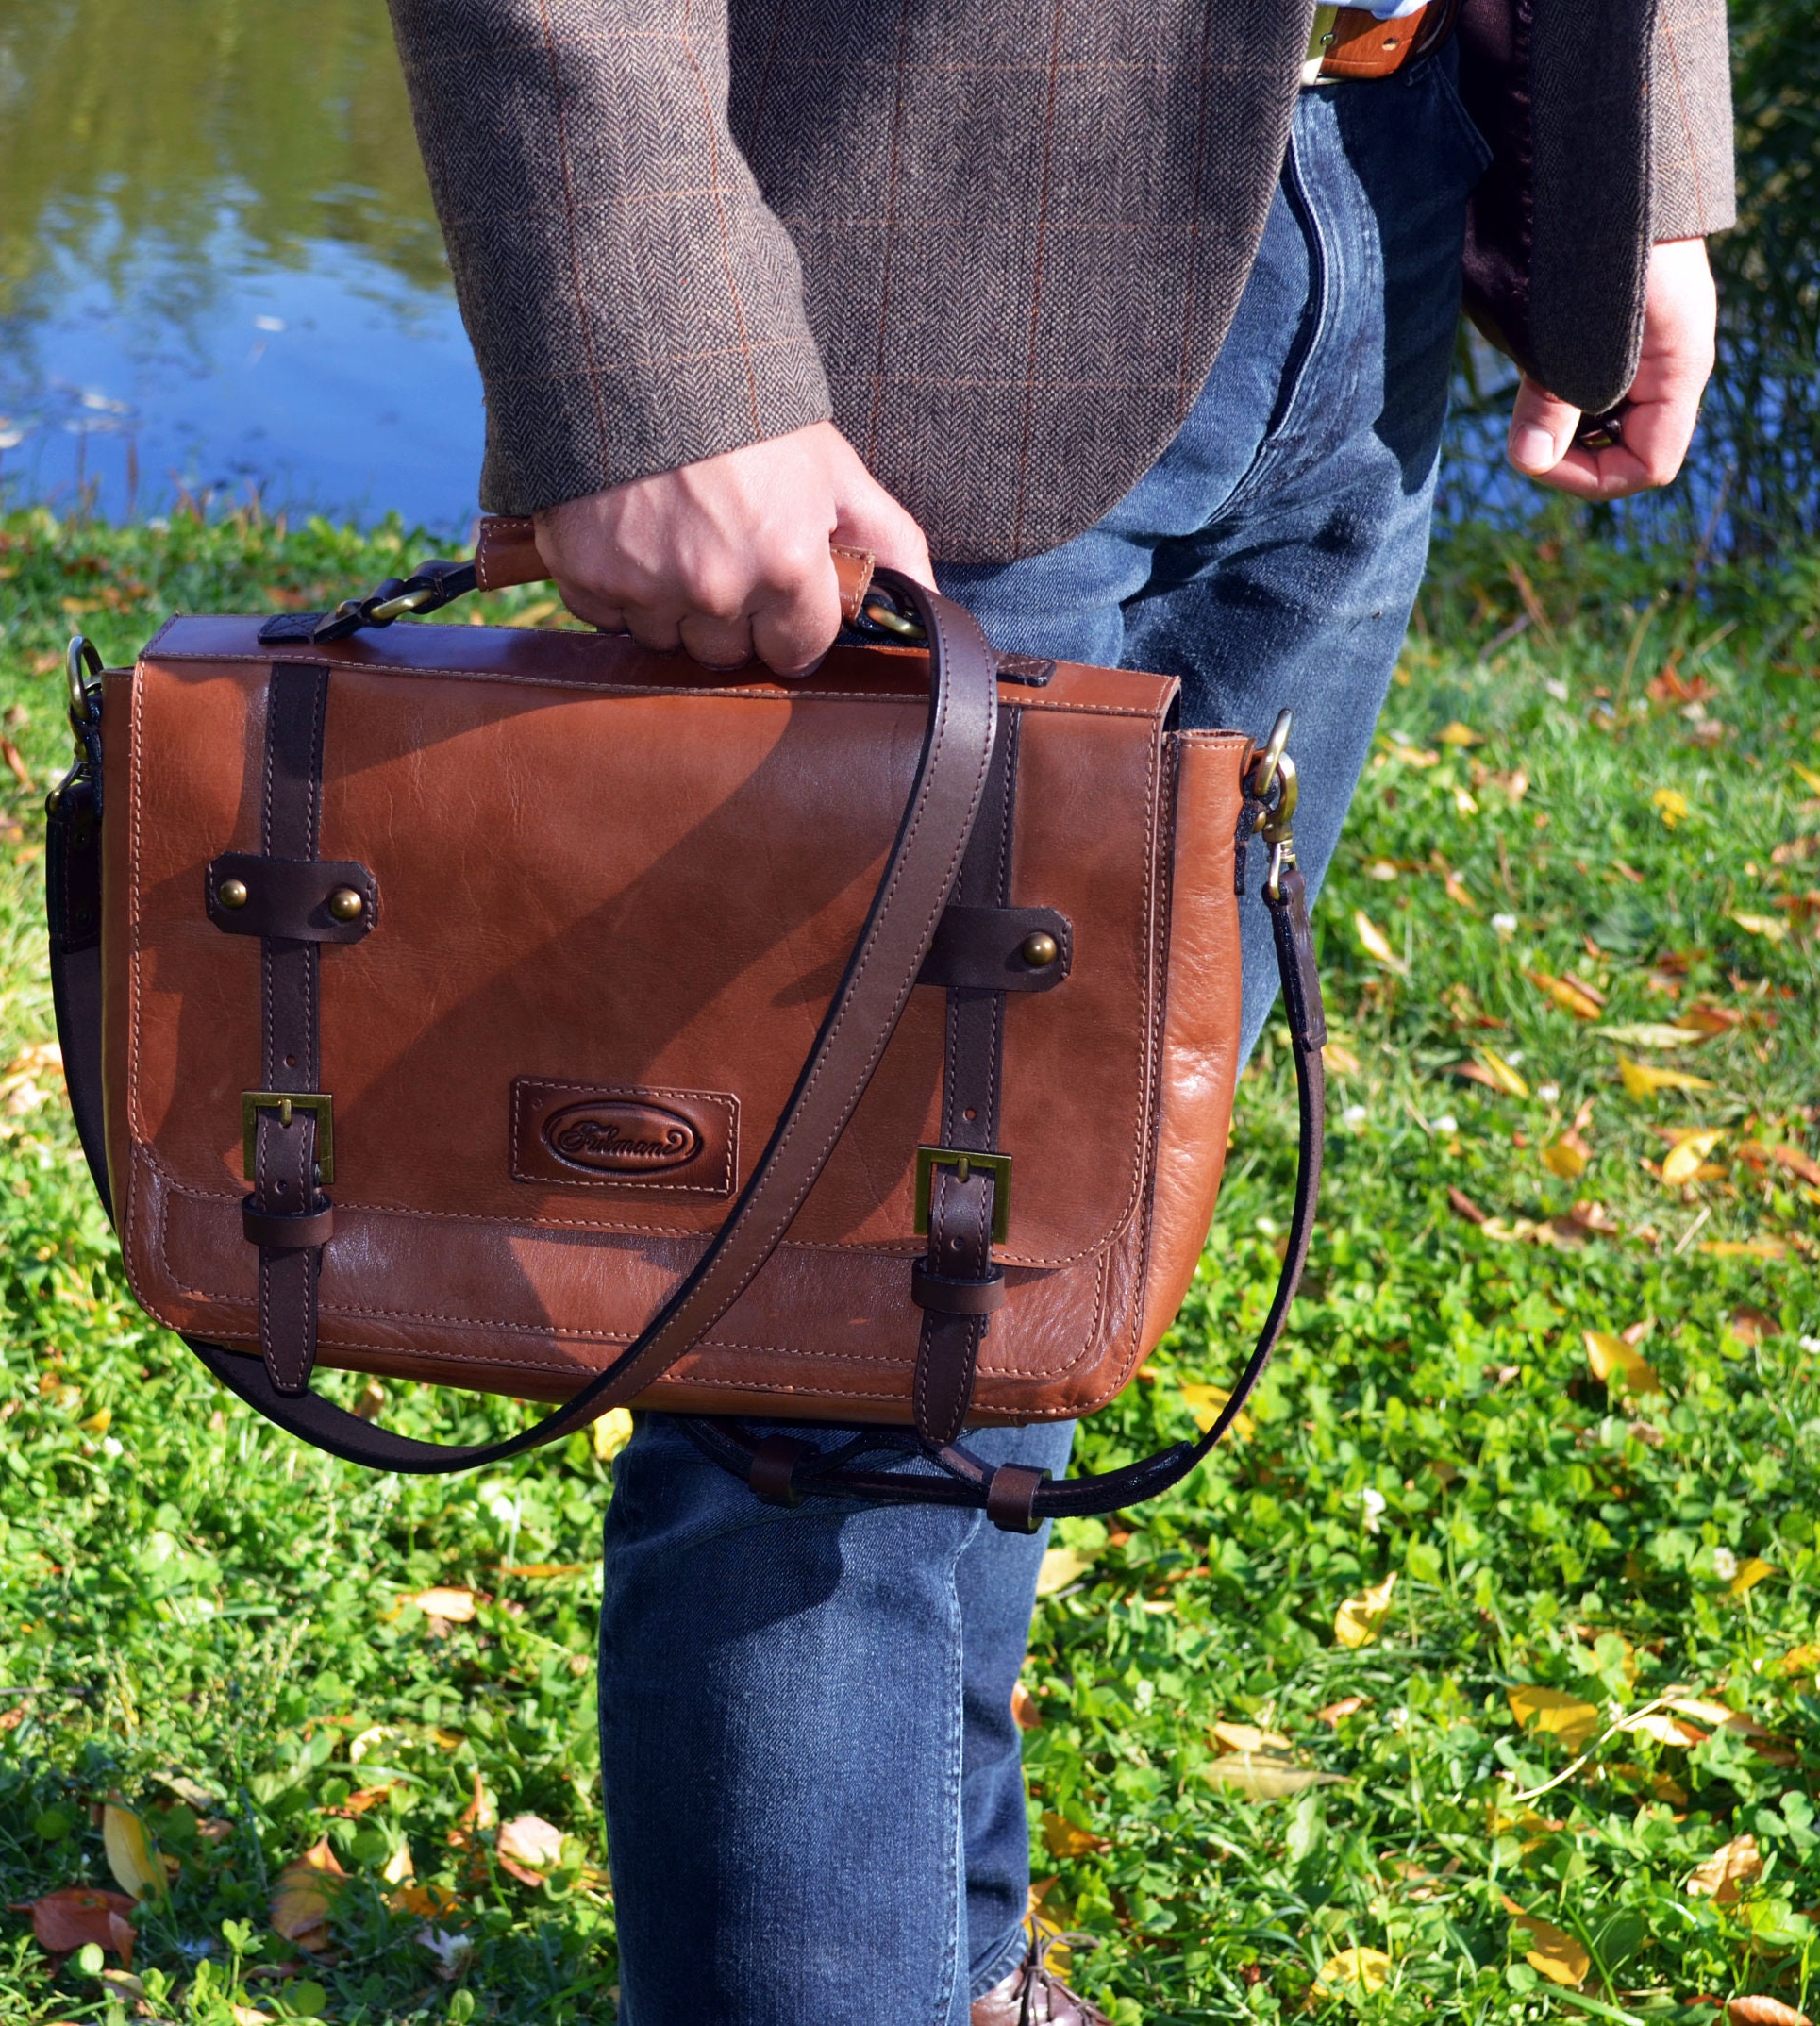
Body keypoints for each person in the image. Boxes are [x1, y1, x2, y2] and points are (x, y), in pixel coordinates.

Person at [380, 0, 1732, 2017]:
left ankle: (954, 1966)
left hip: (1392, 185)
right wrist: (647, 344)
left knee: (1029, 1251)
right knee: (826, 1363)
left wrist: (1640, 149)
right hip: (903, 253)